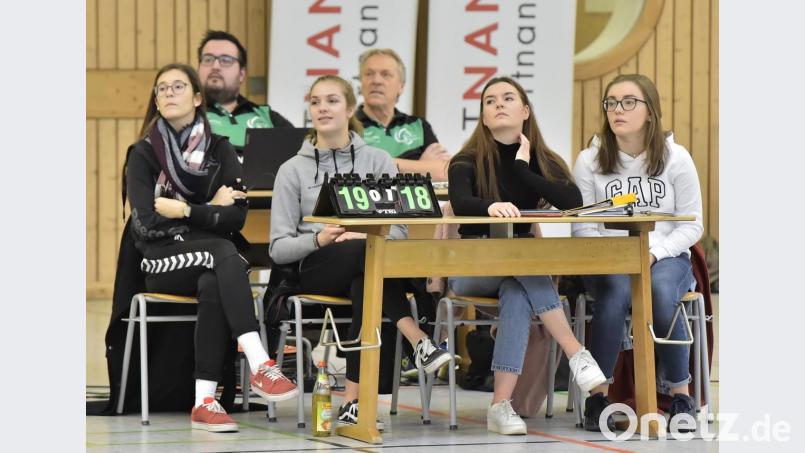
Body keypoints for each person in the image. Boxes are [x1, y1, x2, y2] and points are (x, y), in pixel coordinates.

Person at [123, 63, 298, 432]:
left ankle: (204, 401)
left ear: (197, 98)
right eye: (162, 89)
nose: (169, 93)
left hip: (206, 260)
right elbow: (149, 222)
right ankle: (260, 363)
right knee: (222, 252)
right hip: (160, 260)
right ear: (156, 101)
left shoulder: (219, 149)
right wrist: (208, 209)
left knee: (214, 278)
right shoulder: (142, 154)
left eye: (178, 87)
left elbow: (235, 218)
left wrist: (185, 209)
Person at [269, 74, 452, 428]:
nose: (323, 108)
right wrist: (321, 238)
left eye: (332, 101)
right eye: (316, 102)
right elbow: (278, 249)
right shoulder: (291, 170)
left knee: (363, 277)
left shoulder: (379, 160)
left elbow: (397, 231)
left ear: (351, 108)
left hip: (364, 264)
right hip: (313, 266)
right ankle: (419, 340)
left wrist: (359, 234)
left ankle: (353, 403)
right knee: (366, 260)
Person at [447, 76, 606, 435]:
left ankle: (500, 406)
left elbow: (573, 203)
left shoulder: (540, 160)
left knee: (519, 292)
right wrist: (491, 206)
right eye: (490, 101)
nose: (498, 104)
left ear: (525, 111)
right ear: (484, 117)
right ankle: (575, 352)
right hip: (472, 269)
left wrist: (522, 168)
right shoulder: (466, 160)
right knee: (524, 263)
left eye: (507, 98)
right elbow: (460, 202)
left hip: (519, 274)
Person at [572, 73, 704, 432]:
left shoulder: (676, 158)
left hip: (664, 257)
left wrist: (654, 253)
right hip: (607, 258)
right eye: (611, 102)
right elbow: (583, 227)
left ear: (650, 111)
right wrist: (617, 256)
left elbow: (693, 225)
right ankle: (597, 398)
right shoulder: (590, 160)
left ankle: (681, 394)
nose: (618, 109)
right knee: (614, 293)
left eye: (629, 102)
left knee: (660, 293)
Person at [356, 48, 450, 180]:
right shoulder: (348, 126)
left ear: (401, 86)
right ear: (361, 83)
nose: (376, 81)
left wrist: (379, 165)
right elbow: (355, 170)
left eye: (386, 74)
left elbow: (443, 172)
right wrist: (421, 166)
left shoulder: (418, 125)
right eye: (369, 74)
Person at [197, 30, 293, 154]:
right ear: (198, 68)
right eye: (208, 59)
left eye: (225, 60)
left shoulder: (267, 116)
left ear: (241, 74)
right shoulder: (185, 114)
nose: (215, 66)